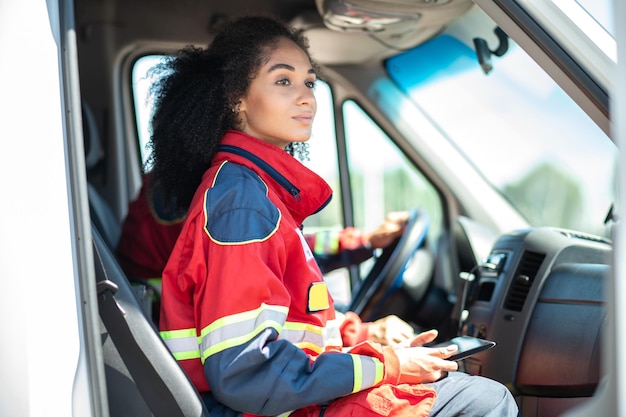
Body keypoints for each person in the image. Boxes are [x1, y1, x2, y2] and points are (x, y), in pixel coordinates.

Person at [150, 15, 519, 417]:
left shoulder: (252, 192)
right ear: (236, 98)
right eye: (283, 80)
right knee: (486, 400)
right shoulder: (242, 202)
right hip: (267, 410)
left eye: (309, 81)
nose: (308, 97)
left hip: (278, 401)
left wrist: (363, 338)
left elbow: (292, 313)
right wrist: (386, 366)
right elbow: (247, 373)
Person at [116, 172, 413, 339]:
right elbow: (252, 320)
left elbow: (284, 248)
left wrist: (363, 240)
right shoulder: (211, 194)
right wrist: (359, 333)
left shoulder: (201, 184)